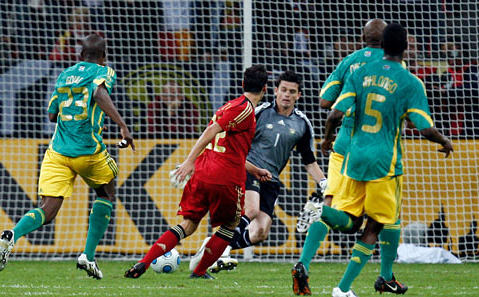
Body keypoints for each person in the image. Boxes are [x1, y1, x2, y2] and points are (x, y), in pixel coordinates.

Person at [315, 23, 453, 297]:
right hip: (384, 162)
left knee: (351, 220)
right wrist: (444, 141)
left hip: (354, 156)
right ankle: (343, 288)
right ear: (405, 47)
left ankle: (323, 212)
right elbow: (424, 128)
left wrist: (327, 139)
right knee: (377, 225)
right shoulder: (410, 82)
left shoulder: (360, 72)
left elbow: (333, 114)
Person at [0, 34, 135, 280]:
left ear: (80, 56)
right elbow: (100, 94)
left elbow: (51, 114)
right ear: (103, 57)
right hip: (88, 150)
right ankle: (88, 256)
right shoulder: (104, 71)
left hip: (57, 151)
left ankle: (12, 234)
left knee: (46, 211)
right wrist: (122, 125)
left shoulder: (63, 75)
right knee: (107, 191)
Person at [293, 18, 410, 296]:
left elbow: (325, 102)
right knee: (385, 216)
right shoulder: (393, 66)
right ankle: (382, 276)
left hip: (343, 144)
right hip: (377, 148)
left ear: (362, 37)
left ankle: (305, 261)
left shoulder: (350, 62)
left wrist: (329, 135)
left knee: (341, 210)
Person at [123, 64, 269, 280]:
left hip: (203, 172)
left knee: (188, 225)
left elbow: (226, 148)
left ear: (242, 84)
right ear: (265, 88)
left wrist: (254, 169)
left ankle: (144, 263)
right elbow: (211, 131)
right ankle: (199, 271)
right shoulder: (245, 109)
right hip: (225, 178)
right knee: (230, 225)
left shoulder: (228, 106)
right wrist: (188, 161)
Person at [189, 70, 327, 274]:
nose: (286, 95)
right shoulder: (258, 112)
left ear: (299, 95)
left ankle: (213, 245)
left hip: (271, 179)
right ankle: (220, 249)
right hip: (248, 168)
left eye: (292, 91)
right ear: (275, 91)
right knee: (251, 210)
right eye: (283, 90)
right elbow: (230, 137)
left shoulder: (302, 124)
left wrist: (324, 183)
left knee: (260, 231)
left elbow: (309, 161)